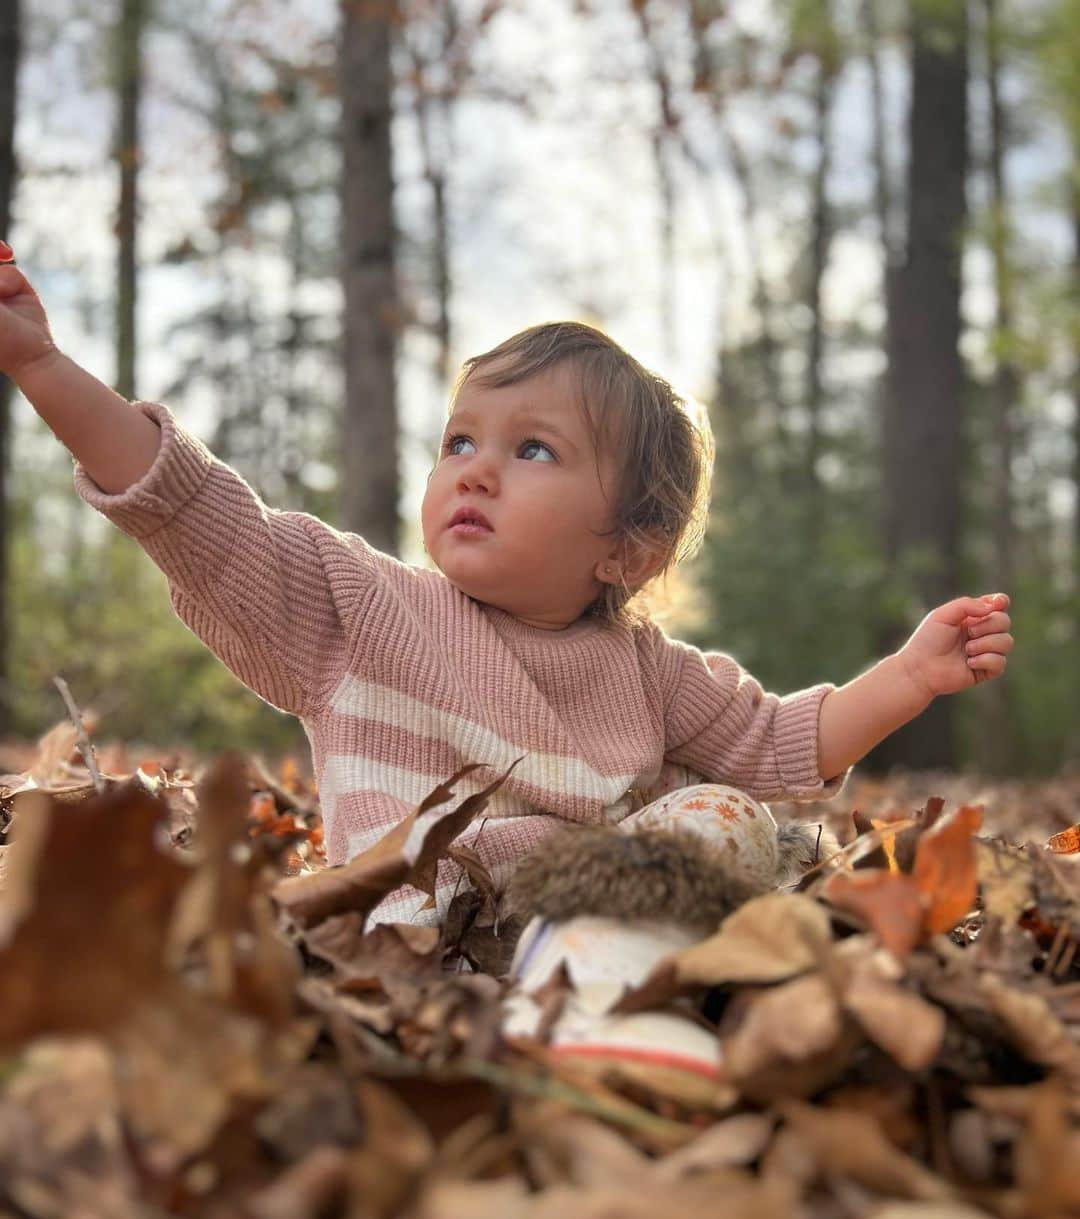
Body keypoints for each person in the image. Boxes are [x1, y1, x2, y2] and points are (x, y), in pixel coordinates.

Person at [0, 246, 1014, 951]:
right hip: (413, 934)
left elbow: (791, 743)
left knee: (728, 815)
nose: (476, 470)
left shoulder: (650, 674)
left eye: (533, 449)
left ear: (631, 546)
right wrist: (43, 368)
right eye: (459, 441)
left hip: (589, 925)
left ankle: (613, 1002)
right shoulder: (358, 609)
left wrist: (909, 676)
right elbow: (193, 511)